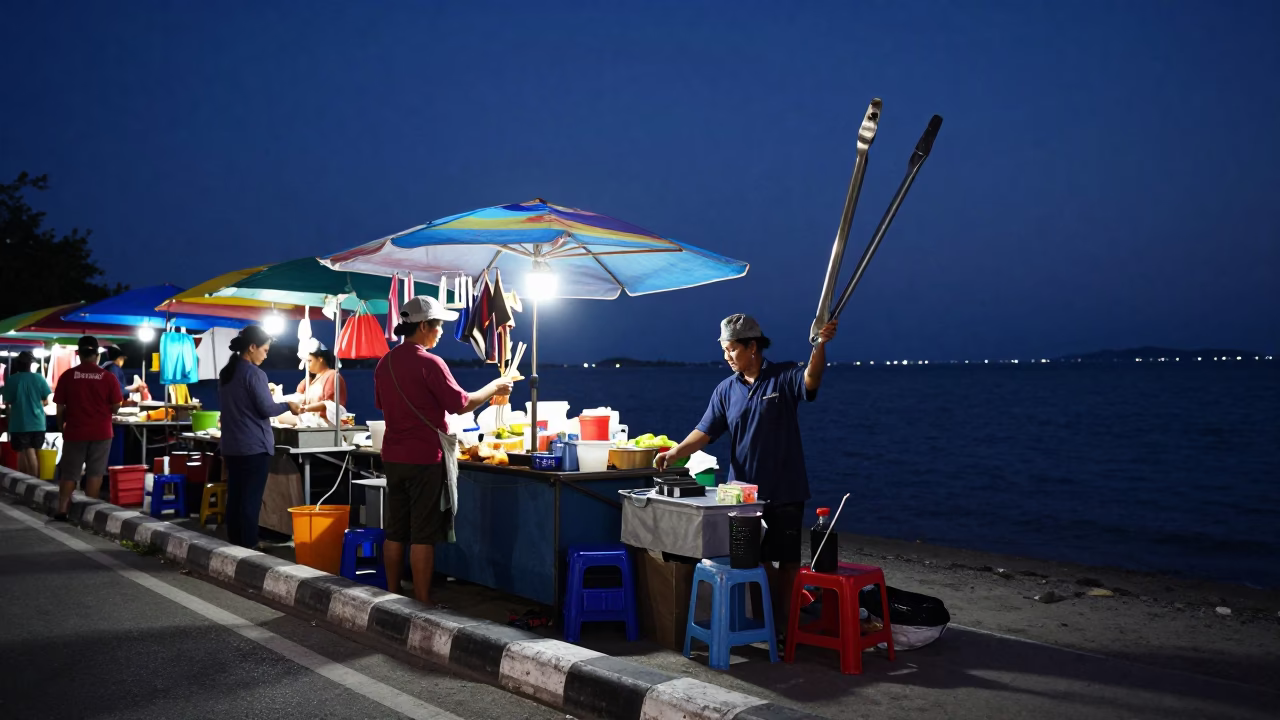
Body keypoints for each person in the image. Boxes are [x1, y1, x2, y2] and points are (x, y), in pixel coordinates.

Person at [656, 314, 839, 628]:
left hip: (786, 487)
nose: (726, 356)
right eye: (724, 350)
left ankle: (784, 624)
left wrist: (820, 345)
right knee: (753, 558)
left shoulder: (782, 376)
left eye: (732, 349)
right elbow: (706, 431)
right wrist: (676, 453)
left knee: (789, 560)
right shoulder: (726, 390)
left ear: (752, 346)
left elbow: (812, 378)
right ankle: (767, 619)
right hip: (741, 493)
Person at [374, 296, 514, 605]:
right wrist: (495, 386)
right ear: (423, 326)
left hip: (393, 457)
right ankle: (422, 602)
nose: (440, 333)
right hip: (425, 457)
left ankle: (393, 594)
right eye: (438, 326)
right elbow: (460, 404)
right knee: (423, 534)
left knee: (396, 529)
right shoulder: (430, 362)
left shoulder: (386, 362)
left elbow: (383, 406)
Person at [218, 325, 300, 548]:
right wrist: (288, 405)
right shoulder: (255, 374)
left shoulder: (227, 372)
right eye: (264, 350)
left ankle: (235, 543)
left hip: (231, 445)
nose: (266, 355)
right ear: (252, 347)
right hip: (254, 447)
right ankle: (249, 547)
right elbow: (266, 409)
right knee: (251, 500)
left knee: (235, 497)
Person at [52, 336, 123, 520]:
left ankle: (62, 509)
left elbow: (60, 406)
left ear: (79, 354)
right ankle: (89, 513)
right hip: (101, 432)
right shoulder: (108, 377)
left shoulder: (68, 376)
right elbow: (116, 405)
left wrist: (61, 427)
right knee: (95, 472)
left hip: (75, 431)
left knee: (70, 472)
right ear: (97, 355)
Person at [1, 351, 52, 477]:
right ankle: (27, 484)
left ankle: (32, 484)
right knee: (30, 452)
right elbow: (46, 399)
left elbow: (7, 400)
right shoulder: (39, 378)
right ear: (30, 364)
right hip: (38, 423)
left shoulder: (12, 380)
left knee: (26, 452)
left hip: (20, 423)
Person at [295, 345, 348, 422]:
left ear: (320, 359)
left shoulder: (332, 375)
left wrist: (306, 408)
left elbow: (330, 405)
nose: (307, 365)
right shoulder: (308, 380)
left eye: (310, 361)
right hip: (309, 417)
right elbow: (298, 397)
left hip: (326, 421)